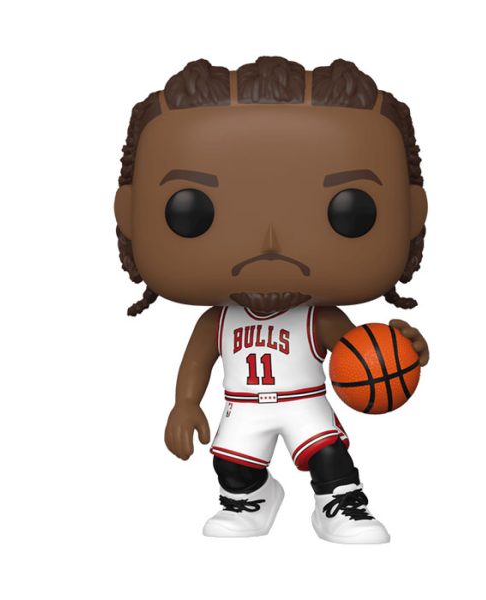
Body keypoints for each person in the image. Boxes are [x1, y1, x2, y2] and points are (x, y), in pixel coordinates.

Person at [113, 56, 429, 544]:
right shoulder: (219, 321)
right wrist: (184, 404)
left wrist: (399, 352)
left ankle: (338, 505)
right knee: (232, 466)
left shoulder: (318, 319)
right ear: (129, 214)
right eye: (191, 212)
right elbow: (197, 360)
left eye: (349, 211)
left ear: (411, 214)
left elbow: (363, 353)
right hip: (243, 406)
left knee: (329, 458)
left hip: (305, 403)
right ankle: (253, 498)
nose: (270, 241)